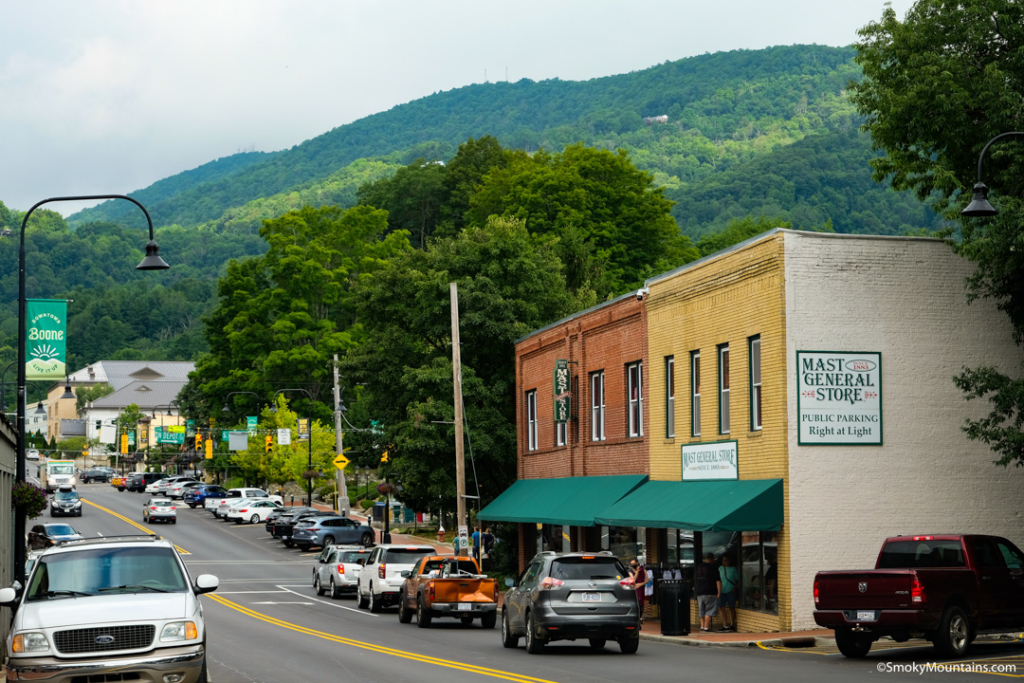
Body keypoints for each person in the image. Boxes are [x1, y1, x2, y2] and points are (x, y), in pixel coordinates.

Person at [695, 552, 720, 633]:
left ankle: (702, 626)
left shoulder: (699, 567)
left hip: (699, 592)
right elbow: (718, 581)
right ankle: (706, 628)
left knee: (702, 611)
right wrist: (719, 592)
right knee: (709, 610)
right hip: (710, 592)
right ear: (712, 559)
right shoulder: (713, 567)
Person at [718, 554, 738, 631]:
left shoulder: (733, 569)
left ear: (729, 561)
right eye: (723, 560)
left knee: (732, 607)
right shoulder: (720, 568)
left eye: (726, 560)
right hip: (722, 591)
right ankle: (725, 625)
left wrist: (734, 587)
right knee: (721, 607)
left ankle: (732, 624)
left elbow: (738, 579)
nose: (724, 562)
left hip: (730, 591)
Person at [629, 559, 649, 623]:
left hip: (641, 589)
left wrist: (641, 584)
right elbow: (633, 580)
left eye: (634, 563)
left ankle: (640, 618)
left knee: (641, 605)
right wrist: (637, 572)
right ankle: (637, 619)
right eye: (632, 564)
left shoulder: (643, 570)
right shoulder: (630, 571)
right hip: (634, 589)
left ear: (637, 563)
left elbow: (647, 580)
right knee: (636, 604)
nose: (633, 565)